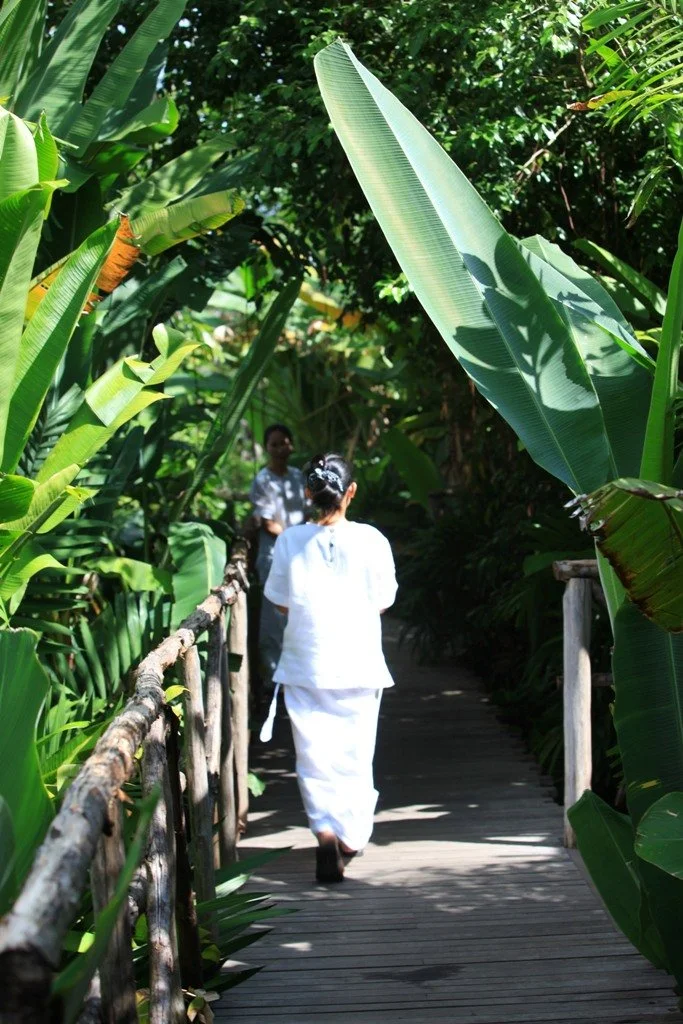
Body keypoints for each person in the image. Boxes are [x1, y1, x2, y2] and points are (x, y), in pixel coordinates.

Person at [260, 452, 397, 883]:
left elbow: (280, 600)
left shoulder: (288, 541)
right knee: (355, 756)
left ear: (308, 493)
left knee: (313, 755)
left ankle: (322, 828)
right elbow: (384, 600)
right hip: (359, 663)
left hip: (305, 661)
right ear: (350, 491)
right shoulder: (373, 539)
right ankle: (351, 837)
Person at [249, 424, 307, 687]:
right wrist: (293, 539)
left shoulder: (298, 477)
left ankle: (297, 675)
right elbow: (266, 521)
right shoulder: (263, 480)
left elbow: (308, 513)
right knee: (273, 617)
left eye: (284, 442)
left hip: (302, 556)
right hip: (274, 556)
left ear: (291, 445)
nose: (280, 448)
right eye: (274, 444)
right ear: (267, 448)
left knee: (299, 614)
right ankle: (273, 680)